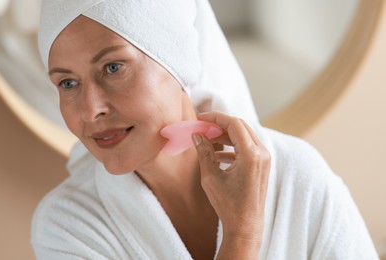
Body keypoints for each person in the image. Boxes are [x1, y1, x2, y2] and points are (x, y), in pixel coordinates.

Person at [31, 0, 379, 259]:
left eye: (112, 67)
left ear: (176, 61)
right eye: (67, 83)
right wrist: (242, 232)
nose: (91, 109)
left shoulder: (296, 177)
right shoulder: (68, 227)